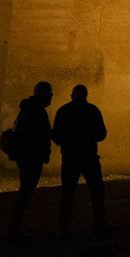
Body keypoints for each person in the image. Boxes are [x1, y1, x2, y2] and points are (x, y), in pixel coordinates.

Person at [50, 84, 108, 236]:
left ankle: (64, 227)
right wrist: (88, 137)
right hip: (89, 156)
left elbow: (56, 135)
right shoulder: (92, 110)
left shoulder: (64, 111)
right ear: (86, 95)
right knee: (96, 192)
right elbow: (101, 134)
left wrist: (68, 140)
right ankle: (99, 225)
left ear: (72, 96)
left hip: (70, 157)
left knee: (68, 193)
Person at [7, 80, 53, 238]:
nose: (51, 97)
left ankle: (15, 227)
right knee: (25, 192)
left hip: (26, 156)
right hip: (31, 157)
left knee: (25, 191)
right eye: (50, 94)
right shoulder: (37, 111)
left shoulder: (28, 109)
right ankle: (14, 228)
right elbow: (38, 135)